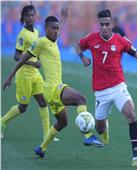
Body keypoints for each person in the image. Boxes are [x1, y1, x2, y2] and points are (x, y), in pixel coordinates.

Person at [3, 10, 103, 158]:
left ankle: (41, 148)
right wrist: (10, 77)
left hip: (51, 91)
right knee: (80, 99)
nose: (56, 31)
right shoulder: (41, 42)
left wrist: (63, 19)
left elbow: (57, 28)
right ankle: (88, 135)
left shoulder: (53, 39)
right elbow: (22, 58)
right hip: (53, 88)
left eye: (57, 28)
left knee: (62, 123)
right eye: (53, 28)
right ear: (45, 28)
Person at [75, 9, 137, 167]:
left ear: (112, 24)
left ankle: (136, 158)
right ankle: (105, 127)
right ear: (99, 24)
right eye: (101, 24)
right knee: (100, 128)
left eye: (107, 24)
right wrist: (83, 58)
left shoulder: (120, 41)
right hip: (100, 91)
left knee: (131, 115)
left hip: (118, 87)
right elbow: (78, 46)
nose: (104, 27)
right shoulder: (91, 38)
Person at [1, 5, 52, 141]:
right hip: (24, 75)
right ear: (23, 18)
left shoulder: (36, 32)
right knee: (23, 107)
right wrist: (32, 63)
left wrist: (41, 59)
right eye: (28, 15)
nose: (30, 17)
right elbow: (16, 56)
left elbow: (35, 51)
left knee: (42, 102)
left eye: (32, 15)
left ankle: (46, 134)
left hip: (35, 75)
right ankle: (2, 121)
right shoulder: (22, 35)